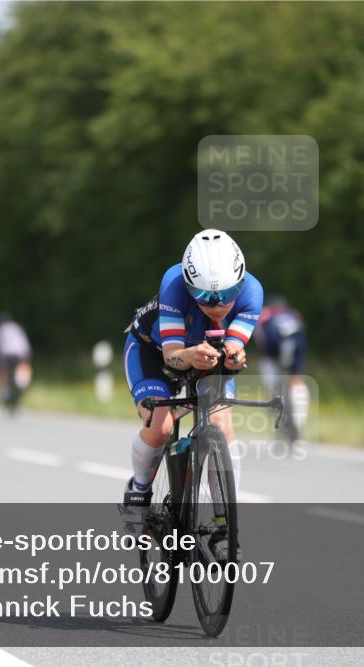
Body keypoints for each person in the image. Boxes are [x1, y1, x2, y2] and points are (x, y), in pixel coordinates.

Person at [120, 229, 263, 548]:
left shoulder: (253, 291)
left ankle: (224, 523)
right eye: (206, 297)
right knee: (160, 427)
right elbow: (172, 355)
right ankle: (139, 491)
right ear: (188, 285)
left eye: (228, 293)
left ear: (241, 282)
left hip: (205, 358)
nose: (219, 305)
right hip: (152, 352)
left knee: (222, 425)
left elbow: (234, 347)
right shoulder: (173, 283)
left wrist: (236, 356)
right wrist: (188, 355)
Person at [255, 296, 309, 444]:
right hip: (296, 347)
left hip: (272, 354)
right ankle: (298, 423)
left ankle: (278, 417)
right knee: (297, 382)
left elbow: (262, 344)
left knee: (272, 389)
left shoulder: (266, 317)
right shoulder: (293, 315)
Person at [0, 313, 33, 406]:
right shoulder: (18, 327)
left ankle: (4, 392)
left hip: (6, 354)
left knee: (3, 371)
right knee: (23, 369)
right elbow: (24, 343)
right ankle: (22, 383)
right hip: (21, 353)